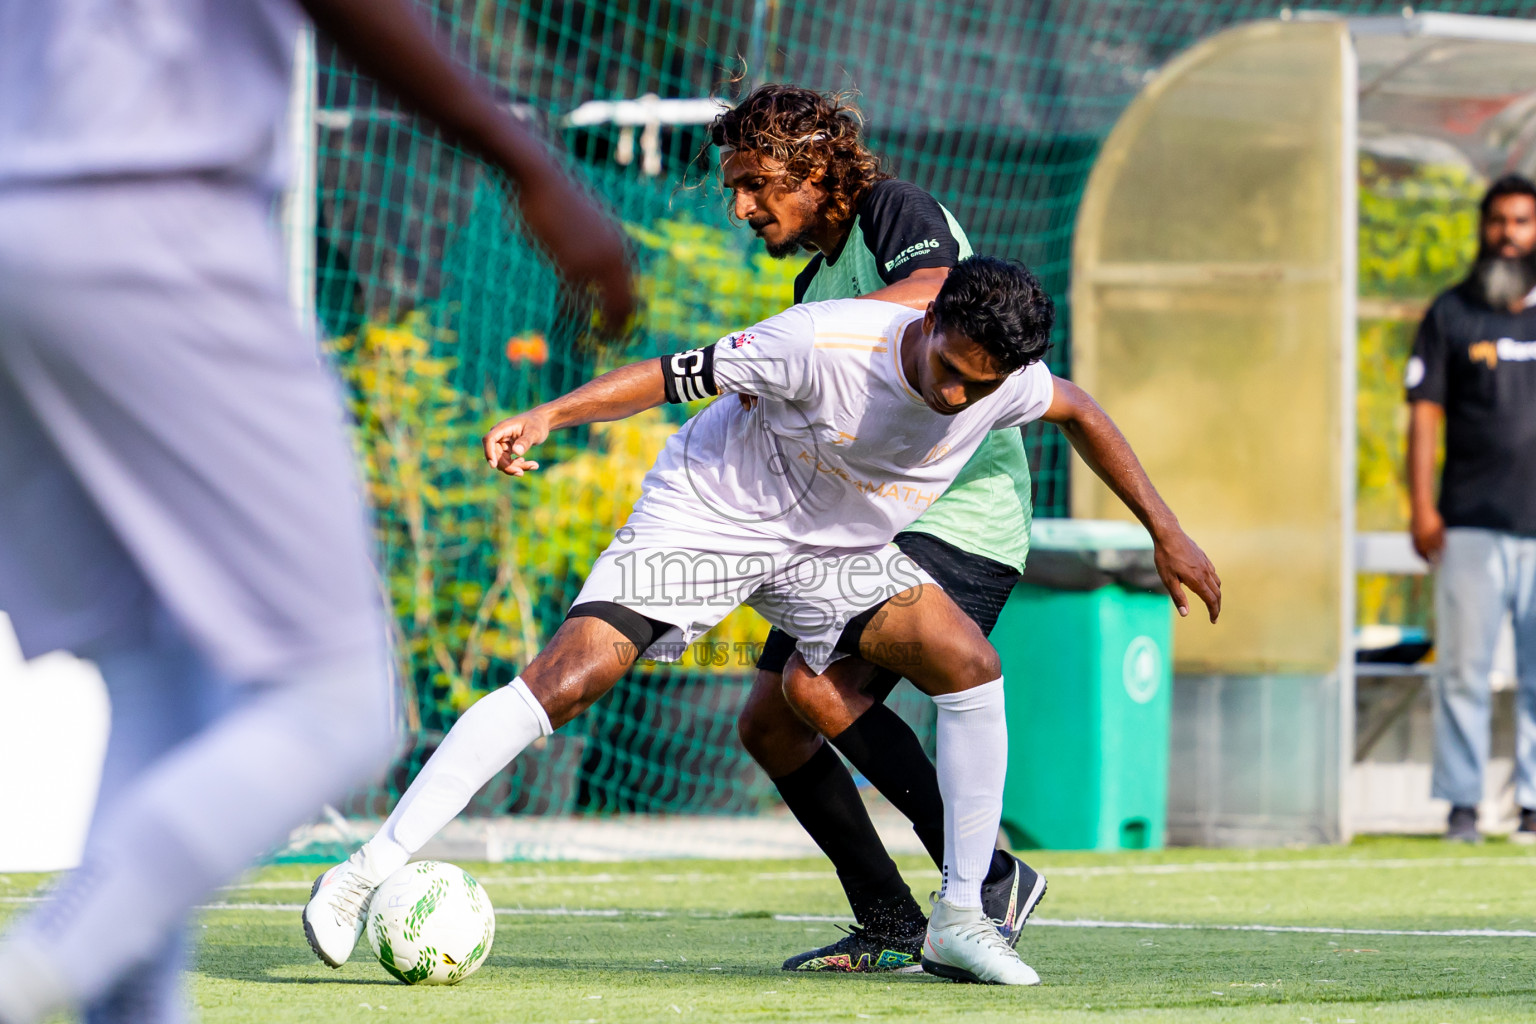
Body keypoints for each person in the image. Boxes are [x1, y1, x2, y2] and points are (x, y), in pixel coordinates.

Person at [304, 255, 1219, 986]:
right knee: (572, 677)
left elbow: (1080, 409)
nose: (954, 399)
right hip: (712, 514)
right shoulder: (819, 344)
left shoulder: (1000, 379)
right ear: (930, 322)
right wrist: (549, 413)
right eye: (947, 373)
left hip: (831, 549)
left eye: (977, 390)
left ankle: (963, 921)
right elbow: (666, 377)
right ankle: (360, 875)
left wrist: (1167, 532)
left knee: (967, 662)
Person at [0, 2, 634, 1022]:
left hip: (16, 230)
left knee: (158, 673)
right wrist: (533, 166)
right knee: (339, 701)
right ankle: (36, 969)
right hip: (154, 219)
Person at [712, 84, 1046, 972]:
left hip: (963, 516)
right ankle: (892, 919)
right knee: (771, 725)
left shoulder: (895, 212)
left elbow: (932, 288)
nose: (744, 206)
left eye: (759, 184)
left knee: (820, 694)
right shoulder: (812, 283)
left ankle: (991, 878)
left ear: (817, 170)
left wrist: (798, 340)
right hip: (866, 524)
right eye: (735, 190)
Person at [1407, 173, 1536, 845]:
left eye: (1521, 221)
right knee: (1463, 670)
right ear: (1483, 229)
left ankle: (1534, 807)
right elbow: (1424, 417)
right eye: (1498, 221)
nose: (1509, 234)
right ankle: (1462, 805)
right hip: (1468, 523)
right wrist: (1422, 506)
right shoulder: (1451, 313)